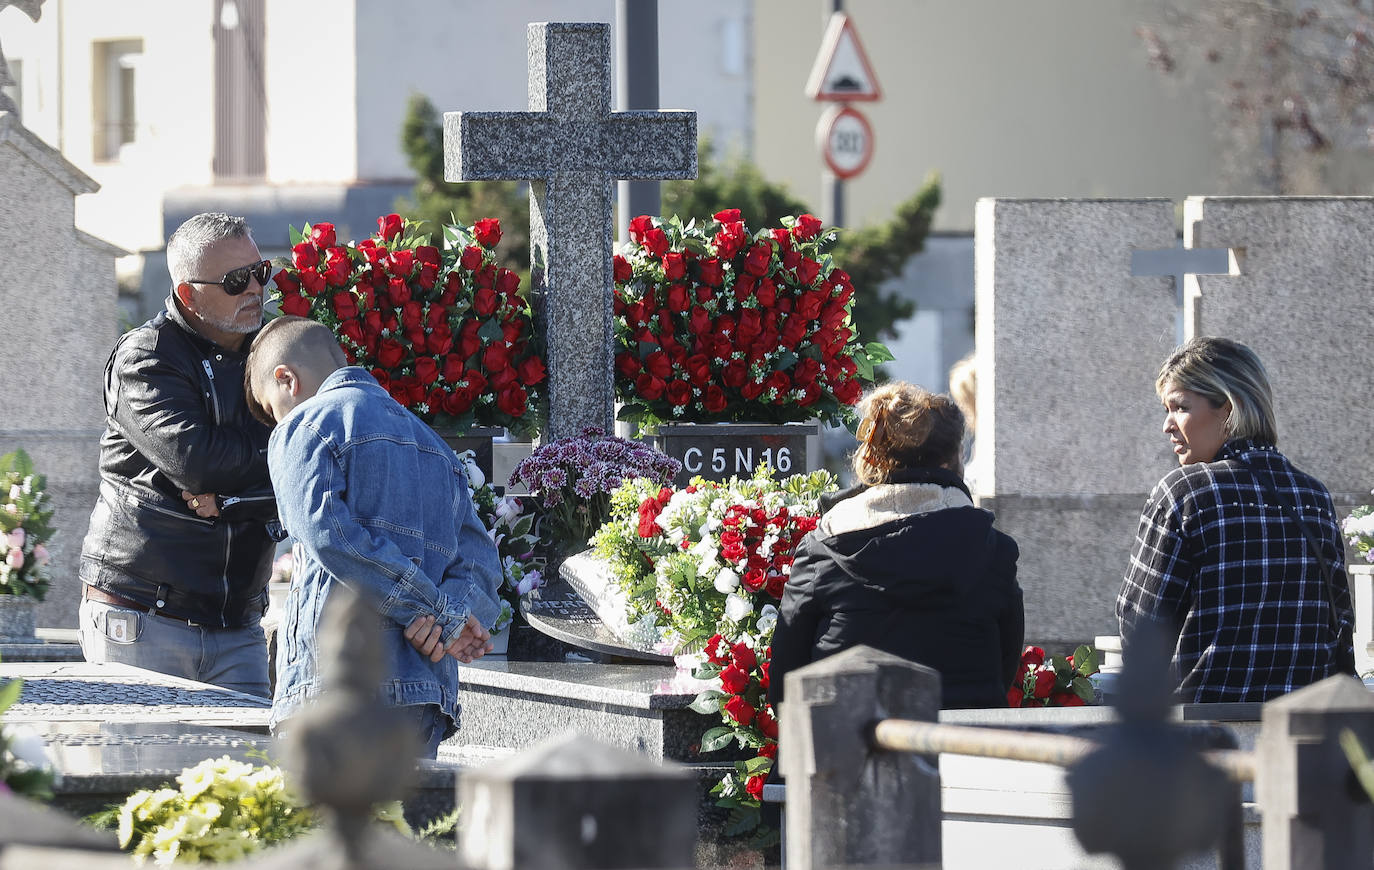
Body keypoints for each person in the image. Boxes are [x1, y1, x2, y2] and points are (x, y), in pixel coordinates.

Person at [241, 316, 502, 759]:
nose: (276, 423)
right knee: (407, 828)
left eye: (271, 410)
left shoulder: (303, 425)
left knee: (326, 827)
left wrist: (437, 617)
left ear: (286, 380)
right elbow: (481, 565)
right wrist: (446, 623)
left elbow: (330, 537)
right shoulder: (435, 446)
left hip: (336, 687)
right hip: (424, 692)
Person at [79, 213, 279, 697]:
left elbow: (318, 455)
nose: (254, 288)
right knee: (140, 770)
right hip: (143, 615)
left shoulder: (278, 348)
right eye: (235, 280)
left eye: (261, 272)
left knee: (252, 772)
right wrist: (277, 450)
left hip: (239, 623)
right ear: (189, 295)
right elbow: (198, 462)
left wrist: (233, 497)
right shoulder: (146, 358)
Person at [1117, 336, 1355, 703]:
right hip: (1300, 740)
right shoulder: (1315, 496)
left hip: (1204, 735)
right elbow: (1339, 624)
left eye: (1180, 407)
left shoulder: (1183, 493)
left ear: (1228, 409)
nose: (1167, 425)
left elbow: (1141, 629)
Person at [768, 382, 1024, 710]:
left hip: (845, 751)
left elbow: (785, 688)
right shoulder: (994, 551)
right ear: (951, 462)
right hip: (965, 752)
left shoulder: (824, 548)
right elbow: (1004, 670)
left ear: (873, 456)